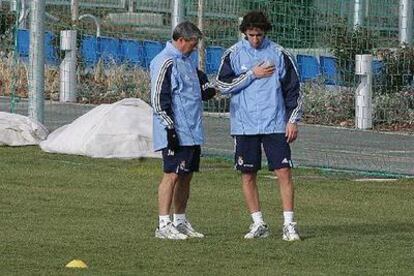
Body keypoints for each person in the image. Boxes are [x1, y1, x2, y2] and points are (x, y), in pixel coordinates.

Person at [216, 11, 303, 241]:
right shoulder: (233, 54)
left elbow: (293, 90)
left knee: (284, 172)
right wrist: (251, 75)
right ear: (244, 32)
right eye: (251, 34)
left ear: (266, 33)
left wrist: (292, 119)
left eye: (260, 35)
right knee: (248, 174)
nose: (256, 39)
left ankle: (289, 224)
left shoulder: (279, 54)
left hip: (275, 124)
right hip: (244, 126)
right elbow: (222, 86)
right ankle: (258, 223)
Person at [150, 21, 216, 240]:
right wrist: (169, 128)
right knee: (171, 175)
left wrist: (205, 85)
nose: (195, 48)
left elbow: (198, 91)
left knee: (186, 176)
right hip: (175, 131)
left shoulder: (187, 62)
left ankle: (179, 221)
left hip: (192, 131)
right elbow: (158, 99)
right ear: (180, 41)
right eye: (192, 43)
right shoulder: (165, 61)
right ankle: (163, 224)